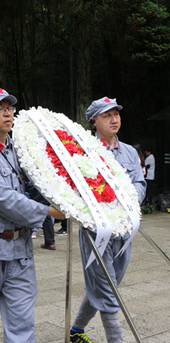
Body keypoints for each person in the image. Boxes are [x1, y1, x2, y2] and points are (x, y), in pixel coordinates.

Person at [0, 86, 65, 343]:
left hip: (20, 249)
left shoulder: (16, 148)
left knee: (22, 323)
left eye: (10, 108)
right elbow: (3, 198)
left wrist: (64, 196)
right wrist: (51, 212)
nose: (8, 114)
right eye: (0, 109)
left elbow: (31, 184)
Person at [70, 97, 146, 343]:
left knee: (106, 285)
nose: (114, 119)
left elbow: (139, 185)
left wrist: (127, 204)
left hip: (124, 231)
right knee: (107, 287)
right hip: (97, 232)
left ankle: (76, 330)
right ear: (94, 121)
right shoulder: (85, 150)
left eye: (116, 114)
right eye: (106, 115)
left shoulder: (130, 152)